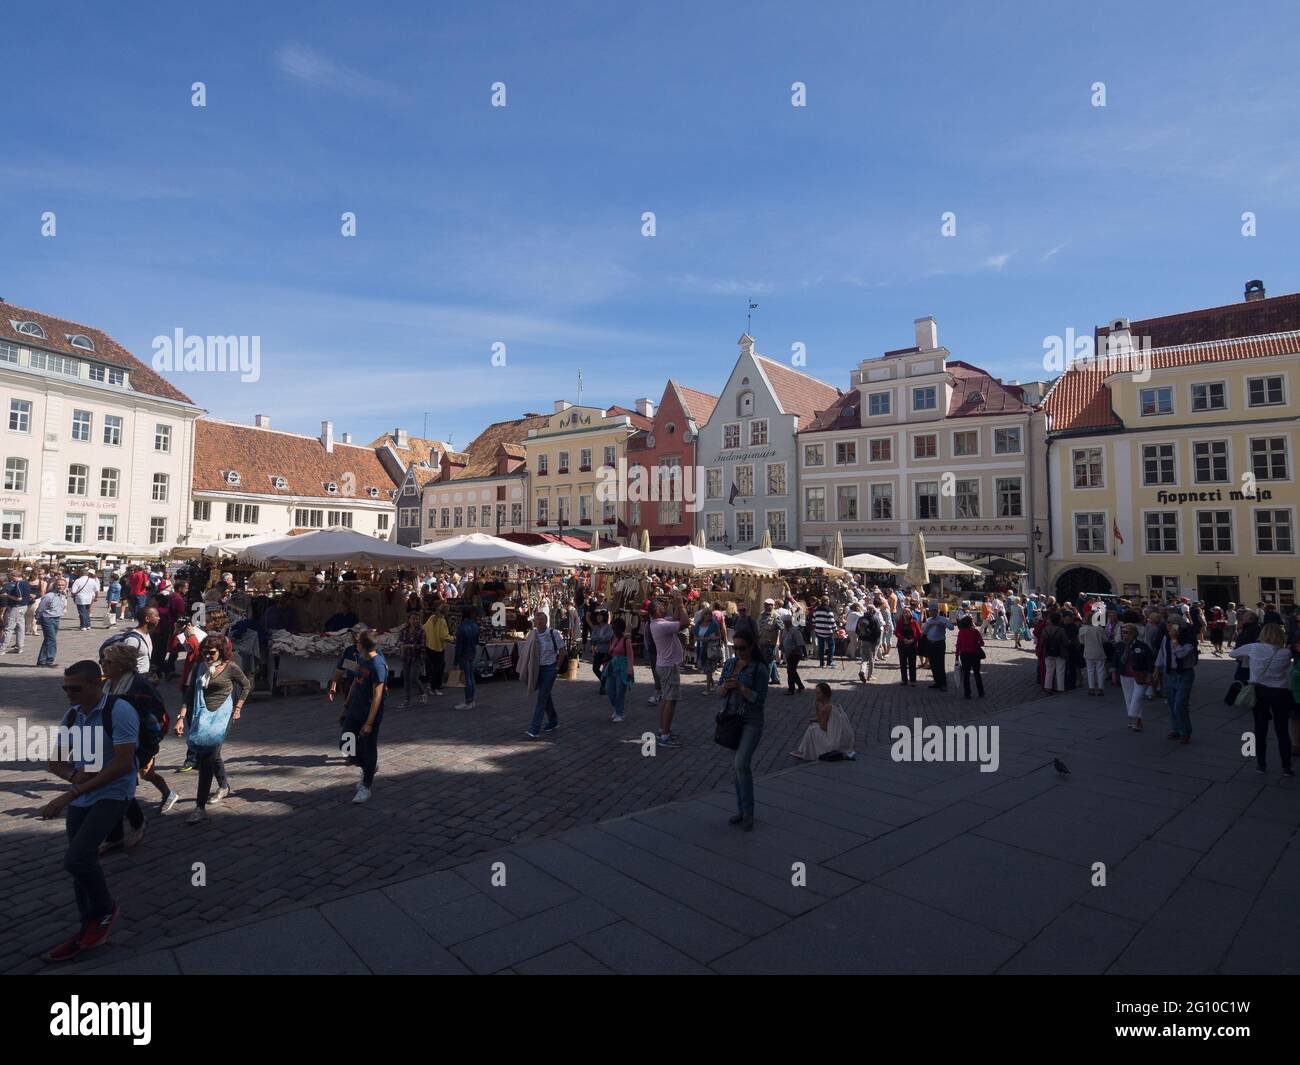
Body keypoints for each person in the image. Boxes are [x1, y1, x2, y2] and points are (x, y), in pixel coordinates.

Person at [39, 660, 140, 962]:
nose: (68, 693)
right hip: (84, 796)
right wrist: (72, 777)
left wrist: (70, 794)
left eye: (75, 688)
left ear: (97, 684)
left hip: (112, 792)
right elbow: (55, 762)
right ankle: (89, 927)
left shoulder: (118, 711)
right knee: (79, 865)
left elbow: (123, 763)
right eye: (65, 687)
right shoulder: (72, 716)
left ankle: (105, 911)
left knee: (77, 858)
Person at [98, 642, 177, 855]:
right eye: (103, 660)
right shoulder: (107, 685)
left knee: (116, 788)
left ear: (122, 666)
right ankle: (116, 835)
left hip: (134, 747)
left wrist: (145, 753)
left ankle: (136, 822)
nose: (103, 664)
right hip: (111, 746)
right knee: (113, 788)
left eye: (108, 661)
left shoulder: (139, 689)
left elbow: (152, 723)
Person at [176, 636, 250, 822]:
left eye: (212, 653)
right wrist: (181, 717)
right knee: (212, 755)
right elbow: (190, 693)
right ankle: (224, 786)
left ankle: (199, 807)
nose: (207, 656)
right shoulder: (199, 667)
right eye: (204, 652)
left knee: (207, 756)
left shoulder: (230, 667)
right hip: (203, 715)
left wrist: (238, 708)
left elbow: (246, 685)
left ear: (221, 652)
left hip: (222, 715)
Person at [717, 631, 768, 830]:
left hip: (751, 720)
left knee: (741, 763)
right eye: (735, 648)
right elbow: (718, 692)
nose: (738, 652)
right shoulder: (730, 664)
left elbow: (760, 699)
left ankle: (748, 812)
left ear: (752, 647)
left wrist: (741, 687)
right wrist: (726, 688)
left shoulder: (759, 669)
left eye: (742, 648)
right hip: (731, 719)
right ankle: (741, 809)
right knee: (738, 767)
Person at [1229, 623, 1294, 776]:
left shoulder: (1254, 648)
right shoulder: (1286, 653)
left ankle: (1261, 765)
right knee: (1282, 731)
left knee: (1260, 729)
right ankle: (1286, 767)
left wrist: (1249, 659)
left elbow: (1233, 653)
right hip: (1281, 693)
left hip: (1259, 691)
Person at [336, 630, 386, 802]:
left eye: (357, 642)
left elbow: (378, 695)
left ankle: (366, 785)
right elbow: (354, 684)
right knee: (345, 744)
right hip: (354, 711)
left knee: (369, 748)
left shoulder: (378, 664)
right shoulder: (362, 660)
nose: (355, 643)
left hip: (368, 714)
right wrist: (345, 707)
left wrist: (370, 722)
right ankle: (368, 766)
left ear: (363, 646)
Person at [518, 610, 564, 739]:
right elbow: (528, 651)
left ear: (546, 621)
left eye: (541, 619)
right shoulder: (533, 634)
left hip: (550, 668)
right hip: (538, 669)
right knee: (545, 695)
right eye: (537, 620)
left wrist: (557, 667)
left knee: (541, 698)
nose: (539, 622)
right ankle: (553, 720)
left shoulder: (553, 633)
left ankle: (534, 729)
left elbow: (562, 652)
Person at [650, 595, 688, 747]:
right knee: (671, 700)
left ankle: (662, 730)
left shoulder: (658, 623)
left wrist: (677, 606)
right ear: (657, 611)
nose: (665, 607)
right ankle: (665, 737)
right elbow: (685, 623)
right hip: (668, 666)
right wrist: (681, 605)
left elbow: (677, 619)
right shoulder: (661, 625)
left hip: (664, 665)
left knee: (666, 698)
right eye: (662, 606)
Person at [1158, 616, 1198, 744]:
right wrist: (1155, 669)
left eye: (1170, 623)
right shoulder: (1166, 637)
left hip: (1184, 673)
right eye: (1167, 622)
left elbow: (1181, 654)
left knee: (1180, 704)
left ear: (1178, 625)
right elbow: (1162, 653)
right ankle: (1176, 728)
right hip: (1169, 673)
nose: (1167, 625)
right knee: (1171, 703)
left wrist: (1175, 640)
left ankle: (1185, 732)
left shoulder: (1189, 638)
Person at [792, 682, 856, 760]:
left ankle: (805, 752)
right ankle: (801, 750)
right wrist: (816, 719)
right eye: (816, 693)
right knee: (814, 724)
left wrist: (817, 712)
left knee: (812, 728)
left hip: (833, 743)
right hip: (843, 740)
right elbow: (831, 720)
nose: (816, 695)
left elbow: (824, 728)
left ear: (824, 694)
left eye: (818, 693)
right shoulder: (835, 704)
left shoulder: (824, 709)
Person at [1111, 623, 1152, 731]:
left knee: (1137, 697)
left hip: (1139, 675)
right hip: (1125, 675)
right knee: (1128, 698)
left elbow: (1149, 661)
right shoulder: (1119, 645)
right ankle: (1137, 721)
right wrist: (1114, 673)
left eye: (1126, 632)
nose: (1124, 635)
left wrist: (1150, 674)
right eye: (1123, 632)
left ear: (1133, 634)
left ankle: (1132, 715)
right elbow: (1115, 660)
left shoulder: (1142, 646)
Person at [602, 617, 634, 723]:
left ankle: (620, 713)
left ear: (621, 629)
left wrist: (630, 670)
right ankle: (617, 708)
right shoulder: (612, 639)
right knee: (609, 689)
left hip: (623, 668)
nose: (614, 630)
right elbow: (610, 652)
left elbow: (630, 656)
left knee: (620, 691)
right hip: (612, 667)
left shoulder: (626, 641)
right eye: (613, 628)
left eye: (615, 628)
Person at [34, 576, 68, 667]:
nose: (60, 587)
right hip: (47, 619)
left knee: (48, 640)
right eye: (59, 585)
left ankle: (41, 661)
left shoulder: (63, 595)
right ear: (55, 585)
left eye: (62, 585)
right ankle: (50, 661)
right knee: (52, 640)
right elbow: (40, 608)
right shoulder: (49, 596)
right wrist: (38, 618)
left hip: (56, 618)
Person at [398, 611, 429, 706]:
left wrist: (411, 646)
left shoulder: (421, 631)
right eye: (413, 618)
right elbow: (399, 641)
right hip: (406, 657)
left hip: (417, 657)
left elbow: (423, 646)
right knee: (406, 679)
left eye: (417, 619)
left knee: (414, 678)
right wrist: (400, 644)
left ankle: (423, 693)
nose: (415, 621)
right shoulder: (404, 630)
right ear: (409, 619)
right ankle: (407, 700)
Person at [453, 608, 480, 710]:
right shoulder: (474, 626)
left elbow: (458, 646)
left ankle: (468, 700)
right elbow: (477, 641)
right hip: (471, 652)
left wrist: (455, 661)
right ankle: (471, 700)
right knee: (470, 677)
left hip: (464, 654)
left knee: (466, 678)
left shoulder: (462, 628)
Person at [922, 607, 955, 691]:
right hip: (930, 643)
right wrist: (929, 625)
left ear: (937, 612)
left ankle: (943, 684)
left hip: (939, 643)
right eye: (930, 612)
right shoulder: (929, 620)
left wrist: (943, 624)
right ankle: (937, 682)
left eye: (934, 611)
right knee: (932, 664)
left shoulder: (942, 619)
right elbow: (924, 632)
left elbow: (952, 627)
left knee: (940, 663)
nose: (932, 613)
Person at [2, 568, 34, 654]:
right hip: (24, 606)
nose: (10, 578)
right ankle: (19, 647)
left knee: (9, 628)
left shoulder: (18, 584)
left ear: (15, 576)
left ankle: (2, 648)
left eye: (11, 576)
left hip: (16, 607)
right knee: (20, 627)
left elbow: (19, 598)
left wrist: (7, 595)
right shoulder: (26, 583)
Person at [422, 603, 450, 697]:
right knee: (438, 668)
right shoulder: (442, 621)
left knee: (431, 668)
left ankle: (430, 686)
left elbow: (424, 628)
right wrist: (453, 638)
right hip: (438, 647)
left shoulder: (432, 618)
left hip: (429, 646)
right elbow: (443, 636)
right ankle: (435, 687)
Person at [694, 604, 722, 693]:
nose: (708, 616)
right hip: (701, 648)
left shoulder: (714, 625)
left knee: (709, 669)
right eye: (706, 614)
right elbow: (695, 637)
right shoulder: (698, 624)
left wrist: (712, 638)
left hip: (710, 649)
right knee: (704, 668)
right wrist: (701, 639)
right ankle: (713, 684)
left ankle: (707, 689)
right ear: (703, 615)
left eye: (710, 614)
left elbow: (719, 636)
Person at [955, 615, 985, 699]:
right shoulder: (975, 631)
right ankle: (981, 692)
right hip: (975, 654)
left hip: (964, 655)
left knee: (966, 674)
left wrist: (956, 656)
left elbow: (958, 645)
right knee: (977, 674)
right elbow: (982, 643)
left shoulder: (961, 632)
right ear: (970, 623)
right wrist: (976, 644)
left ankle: (967, 693)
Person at [1079, 615, 1109, 695]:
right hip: (1099, 651)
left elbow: (1081, 642)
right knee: (1100, 670)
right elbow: (1105, 639)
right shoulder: (1099, 629)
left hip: (1088, 651)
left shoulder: (1082, 629)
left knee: (1090, 670)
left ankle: (1091, 688)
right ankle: (1100, 688)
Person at [1040, 611, 1068, 693]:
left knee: (1049, 670)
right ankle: (1060, 688)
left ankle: (1047, 687)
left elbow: (1042, 642)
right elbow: (1066, 642)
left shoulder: (1045, 630)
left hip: (1048, 652)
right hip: (1060, 652)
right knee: (1060, 671)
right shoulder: (1061, 630)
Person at [780, 614, 806, 694]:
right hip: (788, 653)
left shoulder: (795, 631)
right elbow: (783, 639)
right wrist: (782, 646)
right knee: (792, 671)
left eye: (786, 622)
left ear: (789, 622)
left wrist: (794, 651)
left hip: (795, 654)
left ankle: (791, 689)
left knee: (790, 671)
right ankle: (800, 686)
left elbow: (799, 644)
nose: (785, 624)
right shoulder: (784, 630)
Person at [895, 608, 922, 685]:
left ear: (910, 613)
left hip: (912, 645)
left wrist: (913, 640)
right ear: (902, 614)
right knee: (903, 663)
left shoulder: (914, 622)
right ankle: (904, 680)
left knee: (912, 663)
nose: (906, 614)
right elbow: (897, 633)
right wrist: (903, 639)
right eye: (904, 612)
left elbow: (919, 633)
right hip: (902, 645)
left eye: (907, 612)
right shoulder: (899, 622)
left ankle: (913, 680)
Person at [591, 609, 615, 694]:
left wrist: (599, 638)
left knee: (606, 670)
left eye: (600, 615)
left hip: (607, 651)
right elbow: (593, 637)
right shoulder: (596, 627)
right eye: (597, 616)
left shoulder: (609, 627)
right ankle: (604, 682)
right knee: (595, 668)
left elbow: (609, 637)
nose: (598, 617)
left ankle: (603, 687)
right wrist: (602, 638)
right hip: (598, 651)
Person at [855, 604, 882, 682]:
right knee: (871, 659)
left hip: (863, 641)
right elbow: (878, 632)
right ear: (873, 611)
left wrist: (861, 637)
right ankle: (870, 676)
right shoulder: (874, 619)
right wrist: (876, 642)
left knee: (864, 658)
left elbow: (857, 630)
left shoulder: (861, 618)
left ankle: (862, 671)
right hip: (871, 642)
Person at [70, 568, 100, 632]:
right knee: (87, 612)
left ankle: (83, 626)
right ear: (87, 573)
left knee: (82, 612)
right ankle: (88, 625)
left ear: (80, 573)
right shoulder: (92, 580)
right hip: (89, 598)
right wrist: (96, 597)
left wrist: (73, 595)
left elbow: (73, 591)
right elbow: (97, 591)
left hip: (80, 598)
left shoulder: (78, 580)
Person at [810, 597, 837, 668]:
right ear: (827, 601)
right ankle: (829, 662)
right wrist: (835, 629)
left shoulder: (816, 610)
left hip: (819, 631)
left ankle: (821, 662)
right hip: (827, 631)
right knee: (831, 646)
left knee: (821, 647)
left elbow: (813, 621)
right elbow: (832, 621)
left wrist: (816, 627)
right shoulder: (829, 610)